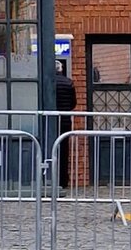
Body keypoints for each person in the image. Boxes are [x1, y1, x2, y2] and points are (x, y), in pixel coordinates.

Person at [55, 59, 77, 187]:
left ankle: (50, 178)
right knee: (64, 152)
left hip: (51, 121)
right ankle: (63, 181)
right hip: (65, 121)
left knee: (49, 149)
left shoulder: (48, 82)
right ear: (61, 69)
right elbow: (73, 103)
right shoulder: (69, 82)